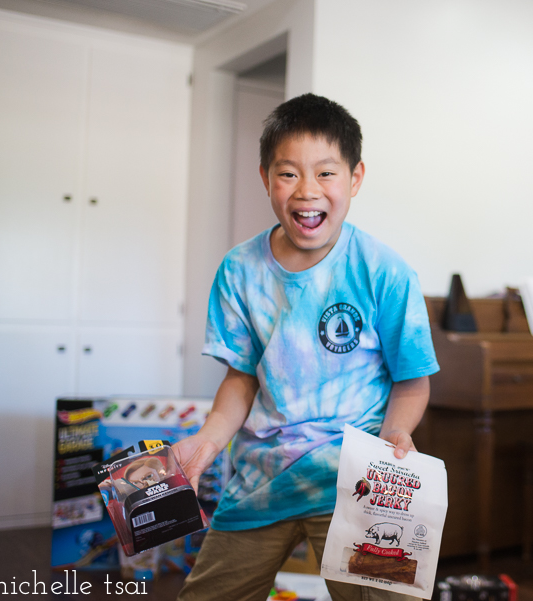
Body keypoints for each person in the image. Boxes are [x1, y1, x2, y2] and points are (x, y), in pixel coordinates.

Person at [174, 93, 440, 601]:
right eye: (288, 173)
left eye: (326, 173)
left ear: (355, 178)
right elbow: (242, 377)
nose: (306, 191)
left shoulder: (384, 271)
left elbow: (411, 379)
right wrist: (207, 442)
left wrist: (396, 436)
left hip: (358, 480)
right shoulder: (238, 269)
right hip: (261, 478)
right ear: (265, 178)